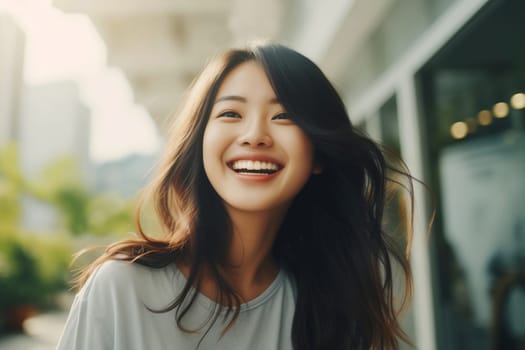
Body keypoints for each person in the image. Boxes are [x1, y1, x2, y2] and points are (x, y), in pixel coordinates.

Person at [56, 43, 418, 350]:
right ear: (199, 143)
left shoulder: (329, 308)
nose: (254, 135)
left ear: (319, 154)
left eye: (284, 116)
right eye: (231, 113)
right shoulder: (121, 290)